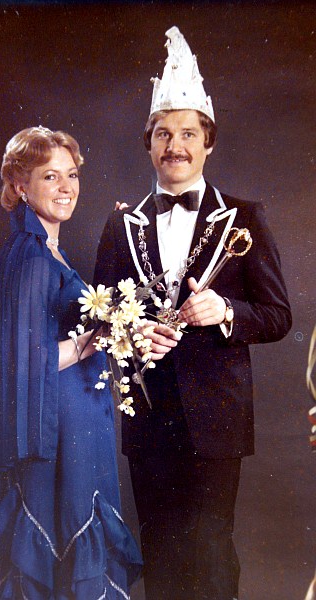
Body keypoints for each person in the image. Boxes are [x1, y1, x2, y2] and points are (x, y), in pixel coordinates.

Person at [94, 27, 292, 600]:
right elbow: (100, 316)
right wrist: (132, 334)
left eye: (187, 134)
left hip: (217, 420)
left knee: (210, 553)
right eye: (163, 134)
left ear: (208, 144)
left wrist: (225, 309)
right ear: (148, 145)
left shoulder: (244, 218)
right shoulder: (121, 224)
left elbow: (277, 315)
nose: (174, 146)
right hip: (149, 417)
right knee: (159, 554)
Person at [0, 126, 142, 600]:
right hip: (60, 432)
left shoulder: (48, 250)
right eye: (50, 176)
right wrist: (98, 338)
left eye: (71, 174)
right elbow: (29, 364)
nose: (67, 187)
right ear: (19, 185)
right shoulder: (32, 256)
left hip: (76, 426)